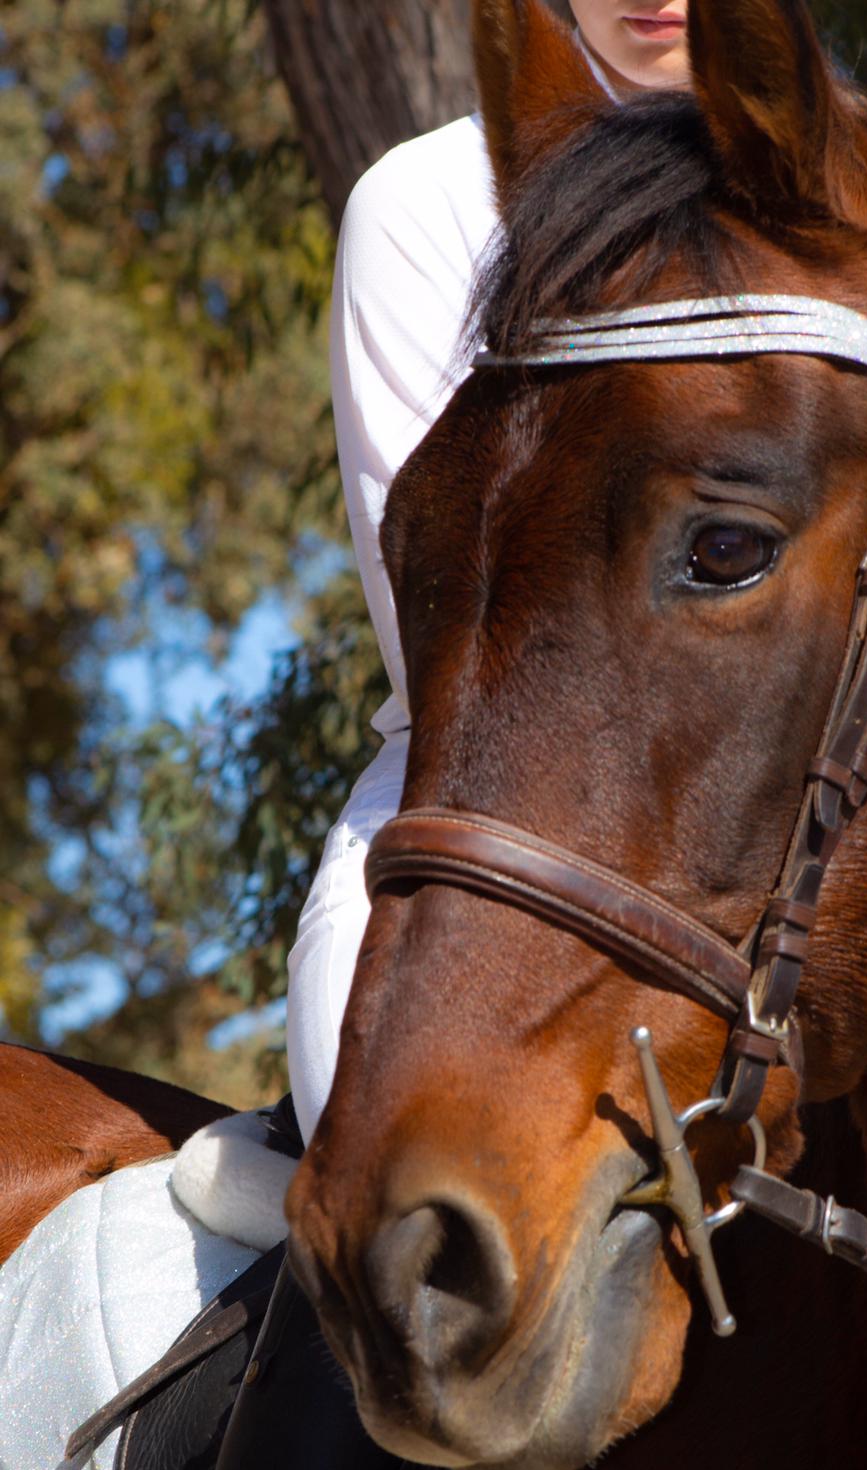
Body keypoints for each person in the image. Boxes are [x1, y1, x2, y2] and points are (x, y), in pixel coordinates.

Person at [286, 0, 694, 1146]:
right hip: (491, 795)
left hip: (820, 807)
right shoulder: (428, 206)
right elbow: (443, 634)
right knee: (378, 1149)